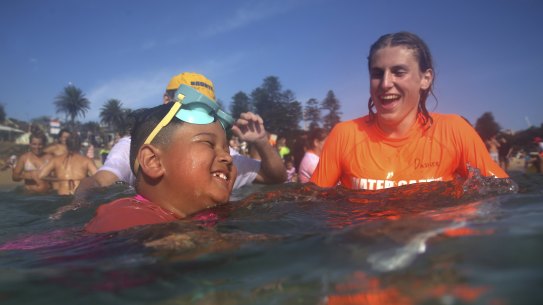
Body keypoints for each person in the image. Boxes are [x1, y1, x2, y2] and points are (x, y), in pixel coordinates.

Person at [311, 32, 507, 190]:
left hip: (438, 239)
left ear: (425, 79)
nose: (385, 83)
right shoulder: (344, 135)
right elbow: (310, 209)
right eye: (377, 74)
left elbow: (502, 195)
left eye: (399, 72)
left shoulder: (453, 131)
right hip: (367, 239)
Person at [85, 85, 236, 233]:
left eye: (226, 149)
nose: (227, 157)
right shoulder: (126, 216)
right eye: (208, 143)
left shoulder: (206, 215)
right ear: (153, 161)